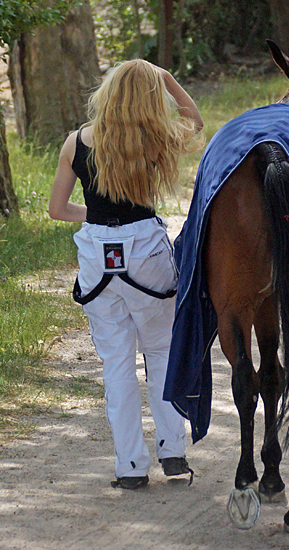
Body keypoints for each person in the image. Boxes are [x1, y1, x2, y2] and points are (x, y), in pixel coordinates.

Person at [48, 60, 205, 489]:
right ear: (151, 96)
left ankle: (130, 467)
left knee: (116, 363)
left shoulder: (76, 142)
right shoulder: (156, 140)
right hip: (146, 250)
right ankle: (172, 452)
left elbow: (58, 210)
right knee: (160, 353)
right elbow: (195, 120)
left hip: (97, 256)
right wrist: (169, 79)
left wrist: (98, 217)